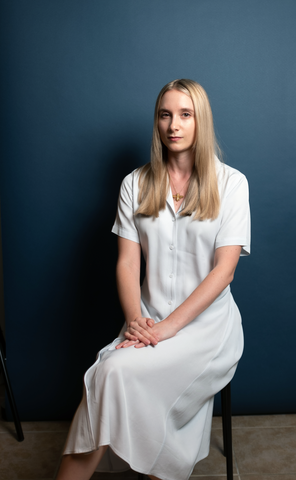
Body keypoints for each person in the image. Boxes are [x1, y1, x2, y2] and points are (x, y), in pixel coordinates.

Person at [56, 79, 250, 480]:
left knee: (111, 372)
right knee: (111, 372)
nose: (173, 125)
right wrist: (135, 320)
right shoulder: (135, 184)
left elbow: (224, 271)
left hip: (206, 331)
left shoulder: (232, 183)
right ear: (157, 122)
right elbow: (127, 264)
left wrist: (165, 330)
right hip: (146, 322)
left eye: (184, 114)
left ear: (201, 121)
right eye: (165, 115)